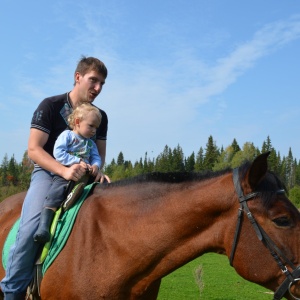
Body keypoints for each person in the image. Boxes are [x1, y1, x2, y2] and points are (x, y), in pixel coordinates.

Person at [1, 56, 110, 300]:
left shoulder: (99, 117)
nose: (98, 88)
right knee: (30, 229)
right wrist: (63, 170)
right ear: (78, 77)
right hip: (49, 173)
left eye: (102, 83)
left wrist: (98, 170)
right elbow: (34, 149)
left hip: (84, 175)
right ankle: (13, 291)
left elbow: (98, 156)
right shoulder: (50, 105)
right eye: (94, 80)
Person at [33, 103, 102, 244]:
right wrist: (76, 161)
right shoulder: (67, 136)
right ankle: (44, 226)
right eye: (91, 126)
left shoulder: (91, 144)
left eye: (96, 127)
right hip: (65, 173)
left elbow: (96, 157)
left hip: (85, 176)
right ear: (77, 122)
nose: (94, 130)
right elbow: (58, 153)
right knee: (55, 193)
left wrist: (95, 165)